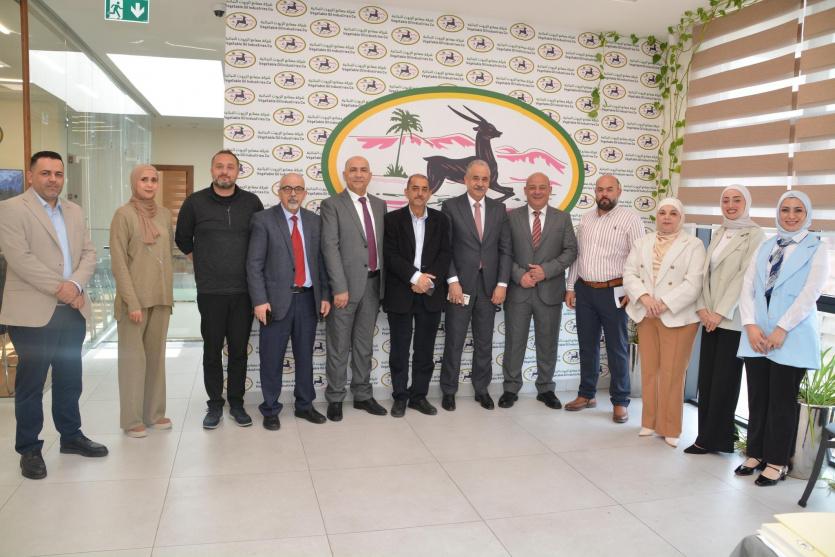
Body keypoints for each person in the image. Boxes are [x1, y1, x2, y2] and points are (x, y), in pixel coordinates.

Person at [0, 151, 108, 480]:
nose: (53, 179)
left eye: (58, 174)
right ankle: (29, 448)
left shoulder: (74, 211)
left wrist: (74, 285)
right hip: (34, 314)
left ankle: (71, 436)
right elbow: (20, 259)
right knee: (32, 384)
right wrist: (61, 288)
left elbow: (89, 253)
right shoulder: (11, 209)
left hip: (72, 311)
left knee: (70, 380)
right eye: (45, 173)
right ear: (31, 176)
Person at [736, 191, 829, 486]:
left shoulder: (817, 248)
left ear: (807, 214)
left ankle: (777, 462)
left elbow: (810, 294)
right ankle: (756, 453)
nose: (790, 215)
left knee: (781, 401)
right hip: (757, 334)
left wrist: (782, 328)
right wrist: (750, 325)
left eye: (797, 210)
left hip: (791, 335)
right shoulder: (766, 245)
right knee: (758, 397)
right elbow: (747, 286)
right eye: (785, 209)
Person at [175, 150, 264, 429]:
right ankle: (214, 404)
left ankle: (236, 403)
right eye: (219, 166)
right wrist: (205, 262)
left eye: (230, 167)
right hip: (210, 292)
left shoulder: (252, 203)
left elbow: (261, 242)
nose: (224, 171)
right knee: (212, 350)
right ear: (212, 170)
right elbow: (182, 239)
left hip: (243, 292)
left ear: (238, 171)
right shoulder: (195, 202)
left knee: (238, 351)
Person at [247, 173, 331, 430]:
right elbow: (254, 264)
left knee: (305, 357)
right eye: (287, 188)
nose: (293, 194)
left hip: (308, 300)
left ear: (305, 193)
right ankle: (271, 408)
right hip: (274, 303)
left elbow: (321, 262)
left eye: (298, 189)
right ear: (279, 191)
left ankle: (305, 405)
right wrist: (260, 301)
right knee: (271, 358)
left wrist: (325, 295)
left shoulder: (314, 221)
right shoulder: (263, 220)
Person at [686, 185, 764, 455]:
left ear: (747, 203)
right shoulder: (720, 231)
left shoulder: (755, 235)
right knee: (707, 379)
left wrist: (719, 312)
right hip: (710, 317)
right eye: (726, 200)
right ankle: (706, 435)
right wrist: (703, 309)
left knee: (725, 380)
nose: (730, 205)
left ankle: (714, 439)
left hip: (732, 319)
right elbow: (705, 274)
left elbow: (745, 277)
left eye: (736, 200)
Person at [623, 198, 705, 447]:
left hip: (678, 316)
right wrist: (645, 298)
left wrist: (664, 303)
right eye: (662, 213)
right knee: (650, 370)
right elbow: (629, 273)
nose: (667, 217)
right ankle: (649, 421)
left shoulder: (694, 244)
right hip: (647, 313)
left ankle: (670, 427)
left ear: (681, 218)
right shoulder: (642, 242)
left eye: (673, 213)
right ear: (656, 216)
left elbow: (694, 282)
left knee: (672, 373)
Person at [565, 175, 644, 423]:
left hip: (615, 291)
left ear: (619, 191)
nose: (604, 194)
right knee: (586, 345)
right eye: (600, 190)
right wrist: (570, 287)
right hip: (585, 290)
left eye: (609, 189)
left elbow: (639, 258)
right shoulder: (586, 219)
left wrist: (633, 290)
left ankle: (620, 401)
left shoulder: (630, 219)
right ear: (595, 192)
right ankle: (586, 394)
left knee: (616, 347)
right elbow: (578, 256)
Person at [500, 172, 577, 409]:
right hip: (519, 291)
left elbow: (571, 251)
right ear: (525, 190)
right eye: (532, 187)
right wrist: (518, 275)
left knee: (548, 342)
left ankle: (546, 389)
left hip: (550, 291)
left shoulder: (562, 218)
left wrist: (546, 270)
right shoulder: (510, 217)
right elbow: (504, 251)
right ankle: (510, 388)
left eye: (542, 187)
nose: (537, 191)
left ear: (549, 190)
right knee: (514, 342)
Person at [439, 160, 511, 411]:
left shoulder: (499, 209)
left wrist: (502, 284)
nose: (480, 183)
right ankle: (449, 391)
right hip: (460, 286)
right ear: (466, 180)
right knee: (454, 341)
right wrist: (452, 281)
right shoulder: (451, 206)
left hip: (489, 287)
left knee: (484, 342)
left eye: (485, 179)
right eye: (476, 178)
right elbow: (445, 249)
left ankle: (482, 389)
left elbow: (505, 250)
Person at [321, 156, 387, 421]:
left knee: (363, 345)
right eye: (353, 170)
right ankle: (335, 397)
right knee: (338, 345)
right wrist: (339, 287)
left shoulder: (380, 205)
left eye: (363, 170)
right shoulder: (332, 205)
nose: (358, 174)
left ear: (370, 175)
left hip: (373, 285)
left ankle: (362, 395)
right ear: (345, 175)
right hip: (344, 289)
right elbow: (330, 247)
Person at [110, 165, 174, 438]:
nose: (149, 184)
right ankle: (132, 419)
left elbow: (167, 255)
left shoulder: (164, 214)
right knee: (133, 363)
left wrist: (168, 295)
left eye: (153, 180)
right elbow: (119, 262)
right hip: (134, 302)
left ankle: (154, 414)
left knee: (156, 360)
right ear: (134, 183)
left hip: (160, 298)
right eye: (144, 180)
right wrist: (131, 302)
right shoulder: (123, 215)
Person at [382, 173, 451, 417]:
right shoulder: (391, 220)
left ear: (430, 193)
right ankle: (400, 396)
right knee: (399, 350)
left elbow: (445, 254)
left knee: (425, 350)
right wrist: (415, 278)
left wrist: (426, 282)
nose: (420, 193)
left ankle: (419, 396)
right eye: (415, 188)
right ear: (407, 192)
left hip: (430, 293)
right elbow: (390, 255)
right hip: (401, 292)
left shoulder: (441, 220)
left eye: (424, 189)